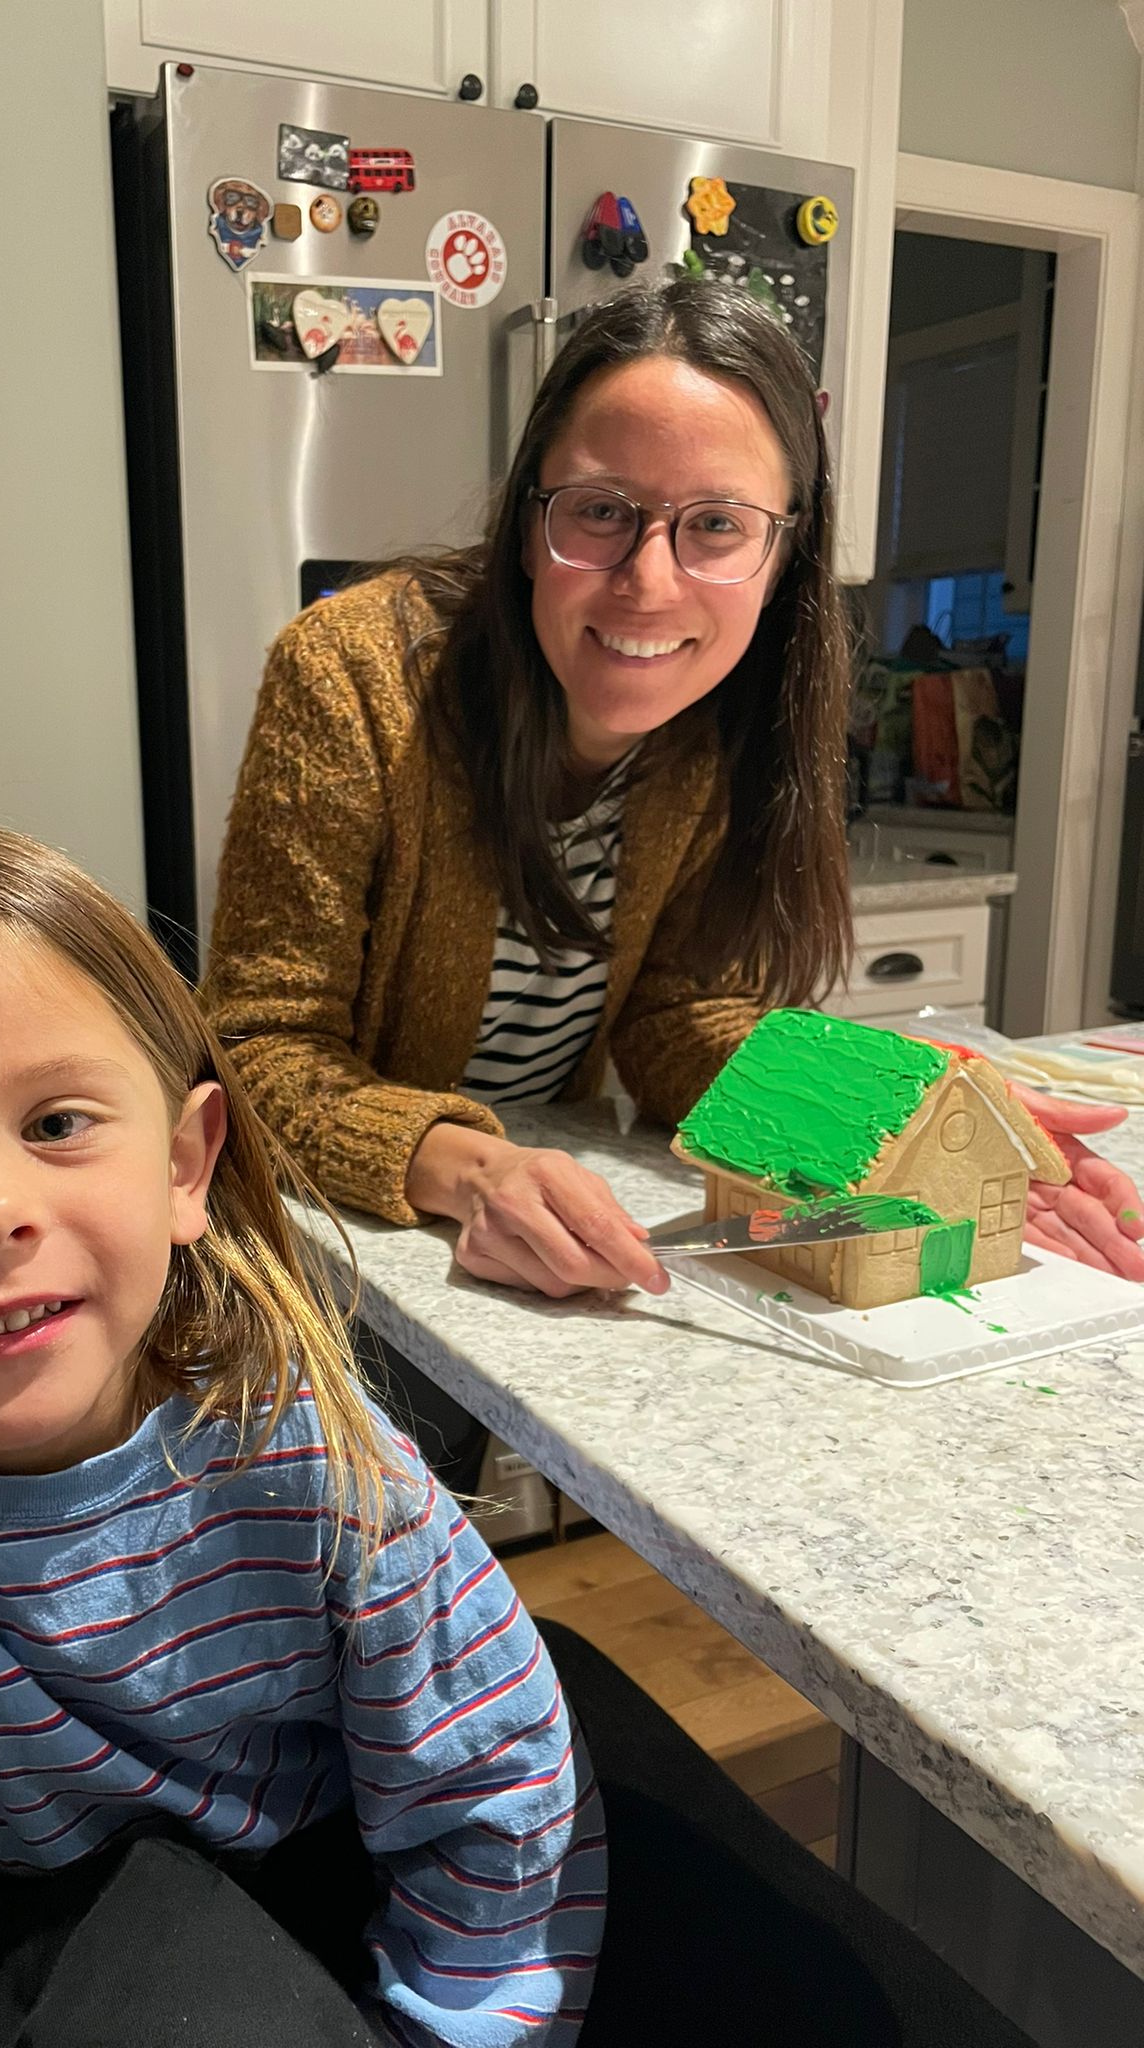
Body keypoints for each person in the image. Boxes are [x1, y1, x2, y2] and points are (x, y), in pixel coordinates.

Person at [0, 816, 603, 2048]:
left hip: (366, 1867)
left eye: (58, 1123)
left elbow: (492, 1786)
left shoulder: (316, 1470)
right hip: (53, 1924)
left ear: (185, 1165)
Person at [204, 277, 1144, 1470]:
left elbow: (673, 1015)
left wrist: (888, 1103)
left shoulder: (736, 720)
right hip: (323, 1267)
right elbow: (256, 1045)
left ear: (783, 545)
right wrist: (465, 1162)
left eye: (715, 524)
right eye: (601, 510)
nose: (649, 582)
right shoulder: (356, 676)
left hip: (520, 1284)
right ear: (528, 517)